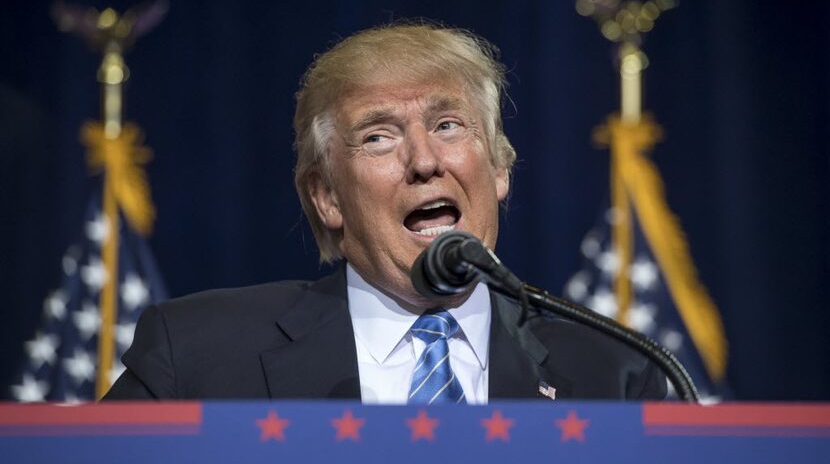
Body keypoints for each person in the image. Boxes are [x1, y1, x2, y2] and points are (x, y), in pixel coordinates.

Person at [104, 23, 666, 402]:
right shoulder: (198, 357)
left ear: (499, 169)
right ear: (327, 197)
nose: (424, 160)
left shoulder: (613, 375)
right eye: (378, 137)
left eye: (448, 125)